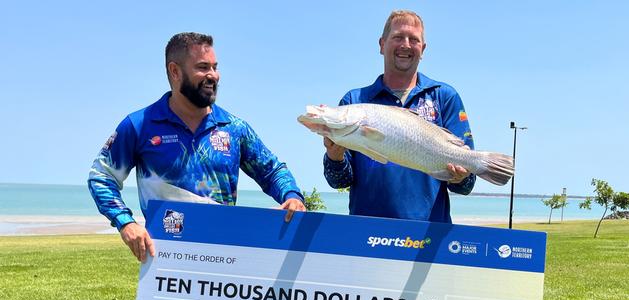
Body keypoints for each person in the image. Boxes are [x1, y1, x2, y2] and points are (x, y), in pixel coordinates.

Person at [88, 32, 306, 265]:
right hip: (165, 262)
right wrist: (126, 223)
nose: (213, 75)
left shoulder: (234, 128)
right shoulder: (140, 125)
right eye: (202, 67)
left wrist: (291, 196)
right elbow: (102, 177)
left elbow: (272, 171)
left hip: (224, 259)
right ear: (175, 71)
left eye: (215, 67)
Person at [323, 10, 475, 223]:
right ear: (381, 44)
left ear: (423, 49)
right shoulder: (355, 102)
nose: (406, 44)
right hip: (366, 233)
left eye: (414, 39)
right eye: (398, 37)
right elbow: (337, 181)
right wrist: (335, 156)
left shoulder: (444, 97)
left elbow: (466, 185)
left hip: (428, 236)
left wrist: (462, 175)